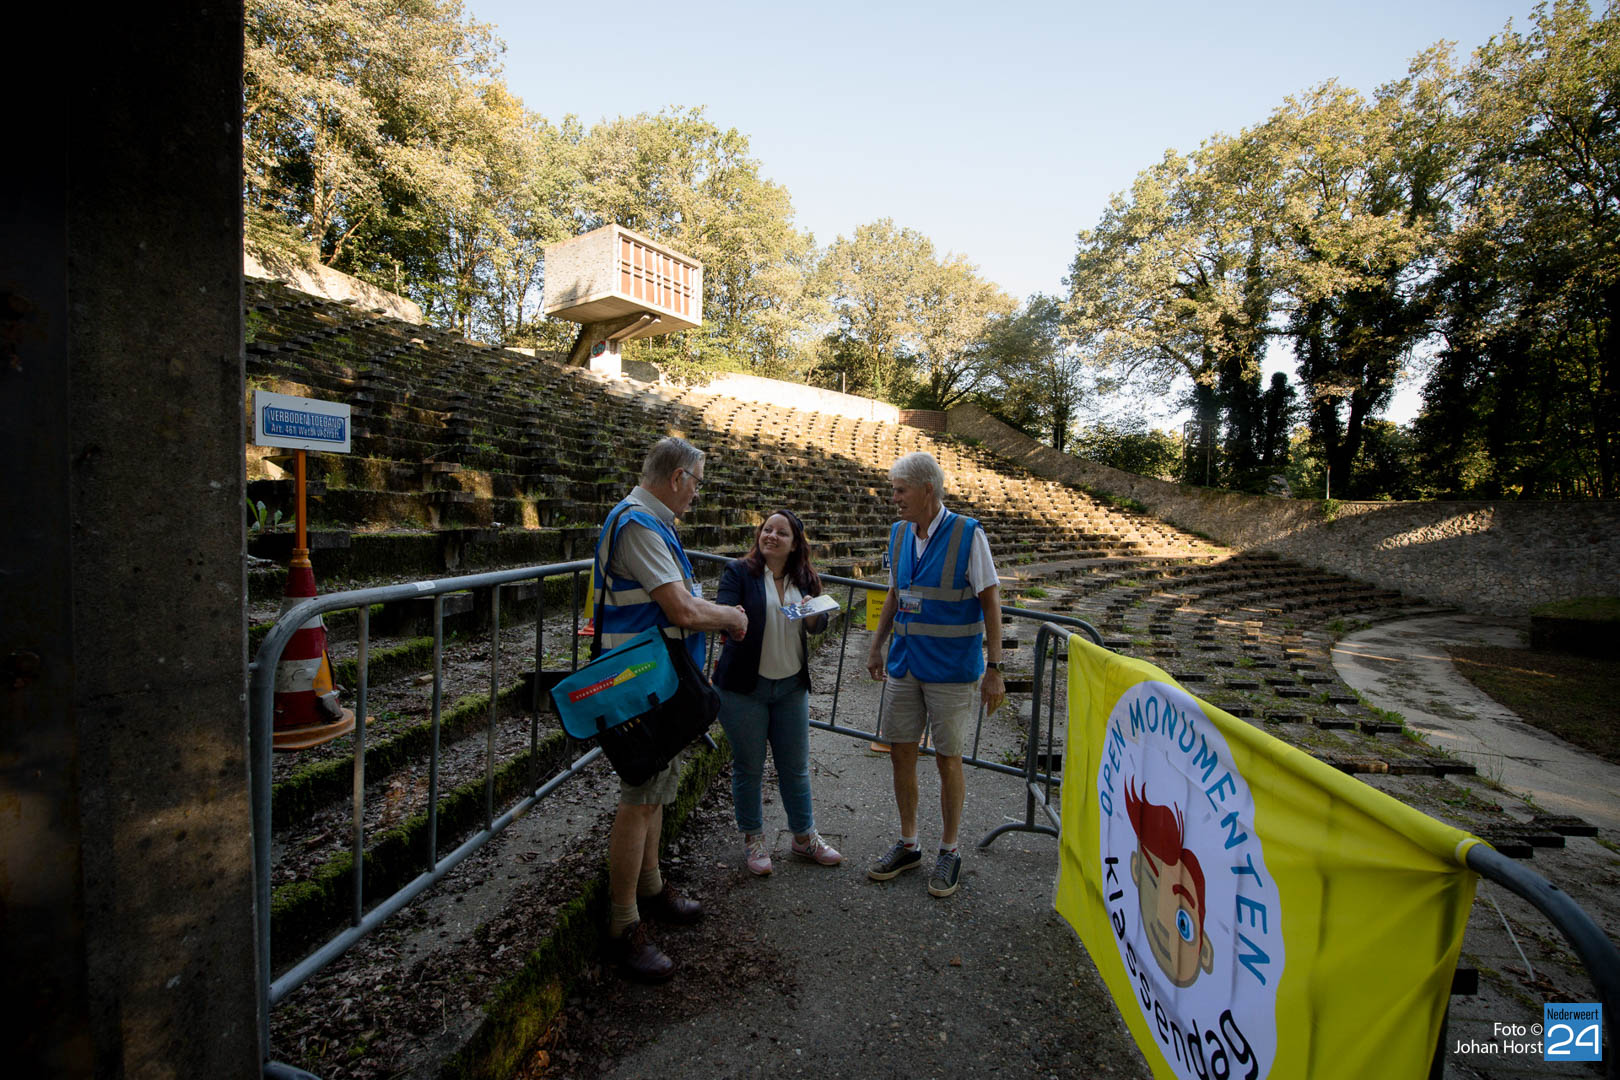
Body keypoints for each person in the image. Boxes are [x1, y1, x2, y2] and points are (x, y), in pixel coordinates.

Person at [595, 437, 749, 982]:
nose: (697, 494)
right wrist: (730, 617)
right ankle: (622, 924)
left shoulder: (648, 521)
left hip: (656, 680)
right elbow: (681, 608)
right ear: (679, 477)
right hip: (640, 683)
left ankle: (652, 888)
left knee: (656, 789)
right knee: (639, 797)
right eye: (698, 483)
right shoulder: (638, 523)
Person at [864, 451, 1005, 898]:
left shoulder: (968, 534)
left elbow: (991, 601)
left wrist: (996, 669)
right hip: (906, 664)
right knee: (900, 752)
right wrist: (877, 643)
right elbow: (895, 593)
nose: (894, 498)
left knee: (948, 759)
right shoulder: (899, 533)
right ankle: (909, 843)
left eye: (900, 490)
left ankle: (949, 849)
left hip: (951, 671)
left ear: (929, 489)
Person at [713, 510, 844, 876]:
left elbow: (818, 625)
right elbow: (725, 612)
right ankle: (754, 838)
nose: (771, 536)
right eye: (767, 529)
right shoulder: (739, 572)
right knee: (749, 767)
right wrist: (732, 618)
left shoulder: (803, 577)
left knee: (795, 767)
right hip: (744, 688)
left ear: (794, 543)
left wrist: (813, 615)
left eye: (781, 533)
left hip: (789, 687)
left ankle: (804, 837)